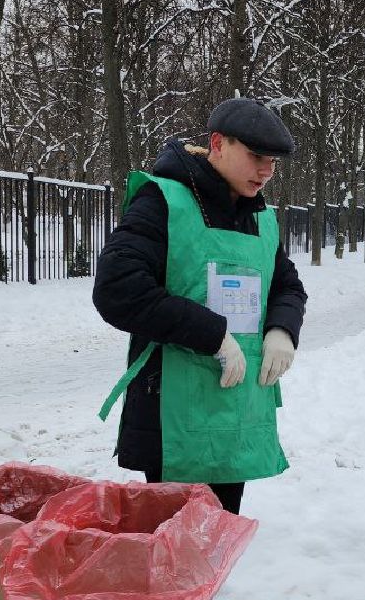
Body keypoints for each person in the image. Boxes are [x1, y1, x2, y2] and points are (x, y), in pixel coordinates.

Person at [93, 98, 307, 515]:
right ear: (217, 144)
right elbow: (118, 289)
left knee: (218, 538)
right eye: (256, 156)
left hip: (237, 411)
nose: (266, 171)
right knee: (174, 547)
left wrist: (283, 328)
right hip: (174, 410)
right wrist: (213, 335)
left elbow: (287, 285)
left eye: (273, 162)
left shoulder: (261, 218)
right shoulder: (163, 201)